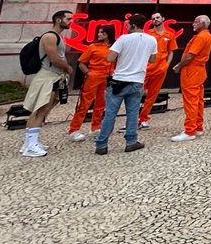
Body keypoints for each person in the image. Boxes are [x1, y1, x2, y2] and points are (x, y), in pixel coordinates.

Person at [95, 14, 157, 155]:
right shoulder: (152, 40)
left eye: (128, 25)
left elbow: (110, 58)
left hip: (119, 80)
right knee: (133, 113)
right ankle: (131, 141)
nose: (127, 27)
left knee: (110, 113)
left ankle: (102, 144)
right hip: (137, 80)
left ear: (133, 25)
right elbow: (153, 59)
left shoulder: (123, 39)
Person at [20, 10, 77, 158]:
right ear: (58, 20)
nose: (71, 22)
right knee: (40, 110)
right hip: (48, 76)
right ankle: (30, 145)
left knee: (43, 111)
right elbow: (54, 58)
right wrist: (68, 67)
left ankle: (30, 142)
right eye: (68, 19)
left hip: (54, 76)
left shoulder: (57, 37)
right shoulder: (50, 36)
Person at [68, 24, 116, 142]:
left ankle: (95, 127)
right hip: (93, 77)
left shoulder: (114, 47)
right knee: (84, 103)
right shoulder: (93, 47)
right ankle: (74, 129)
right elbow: (82, 63)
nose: (99, 34)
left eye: (102, 32)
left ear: (108, 34)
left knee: (101, 104)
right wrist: (89, 73)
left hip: (107, 78)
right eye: (99, 32)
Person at [171, 14, 211, 142]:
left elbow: (190, 56)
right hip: (198, 71)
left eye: (195, 22)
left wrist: (178, 66)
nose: (193, 24)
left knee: (191, 101)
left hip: (192, 71)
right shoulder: (207, 36)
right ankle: (197, 127)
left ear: (203, 24)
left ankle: (189, 131)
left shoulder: (201, 37)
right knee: (198, 100)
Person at [138, 12, 178, 129]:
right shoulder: (147, 34)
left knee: (152, 95)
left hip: (160, 69)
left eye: (157, 17)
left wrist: (167, 64)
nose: (155, 19)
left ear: (163, 19)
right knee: (137, 93)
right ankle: (134, 118)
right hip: (146, 68)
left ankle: (143, 118)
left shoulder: (169, 35)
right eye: (153, 18)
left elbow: (171, 51)